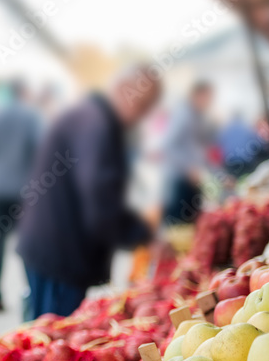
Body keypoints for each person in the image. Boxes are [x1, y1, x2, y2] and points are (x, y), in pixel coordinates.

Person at [17, 65, 161, 320]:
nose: (141, 115)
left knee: (45, 334)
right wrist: (143, 235)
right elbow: (100, 201)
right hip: (60, 256)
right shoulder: (96, 125)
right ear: (122, 89)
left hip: (54, 250)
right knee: (53, 340)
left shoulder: (91, 117)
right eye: (141, 105)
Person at [0, 80, 41, 312]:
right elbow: (40, 151)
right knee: (28, 245)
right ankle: (31, 294)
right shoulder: (32, 117)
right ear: (25, 92)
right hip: (25, 192)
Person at [162, 81, 215, 225]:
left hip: (193, 179)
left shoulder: (197, 116)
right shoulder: (183, 115)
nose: (209, 101)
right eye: (207, 97)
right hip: (181, 180)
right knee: (179, 222)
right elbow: (169, 146)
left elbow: (199, 147)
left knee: (194, 220)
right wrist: (188, 169)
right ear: (196, 95)